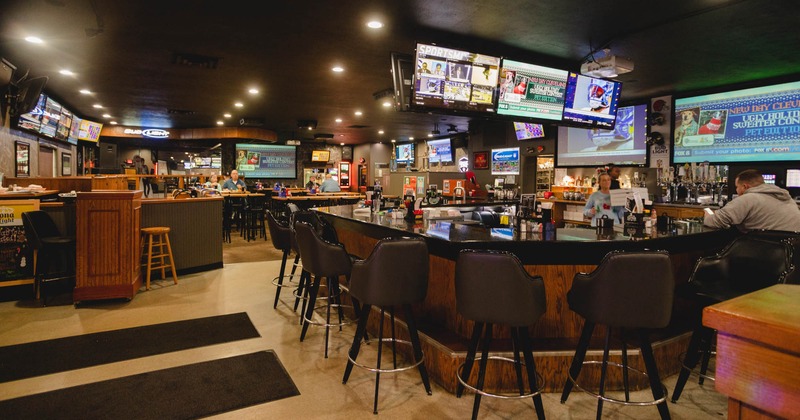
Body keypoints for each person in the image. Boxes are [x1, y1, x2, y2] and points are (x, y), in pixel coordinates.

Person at [703, 169, 800, 232]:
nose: (736, 190)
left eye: (737, 187)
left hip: (762, 252)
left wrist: (708, 216)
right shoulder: (787, 198)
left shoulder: (748, 199)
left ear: (745, 186)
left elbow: (716, 221)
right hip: (790, 255)